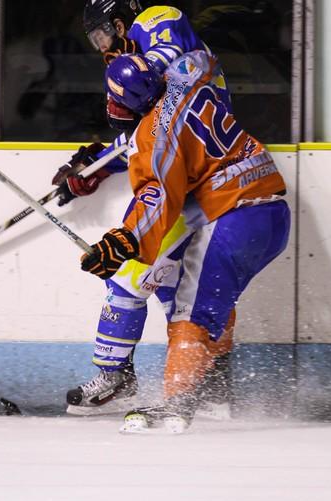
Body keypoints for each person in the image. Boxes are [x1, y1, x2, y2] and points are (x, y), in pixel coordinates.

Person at [80, 50, 290, 433]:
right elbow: (205, 58)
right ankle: (215, 388)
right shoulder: (186, 75)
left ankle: (177, 403)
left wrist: (123, 241)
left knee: (190, 312)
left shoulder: (152, 139)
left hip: (233, 215)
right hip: (273, 211)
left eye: (115, 101)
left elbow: (157, 197)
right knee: (211, 302)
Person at [60, 0, 240, 418]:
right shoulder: (171, 93)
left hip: (190, 190)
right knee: (180, 289)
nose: (103, 47)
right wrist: (95, 165)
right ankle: (213, 386)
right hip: (201, 183)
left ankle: (116, 377)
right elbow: (148, 136)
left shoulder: (156, 19)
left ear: (120, 22)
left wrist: (133, 71)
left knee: (128, 275)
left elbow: (166, 53)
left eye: (102, 35)